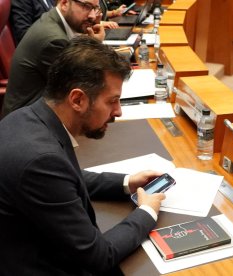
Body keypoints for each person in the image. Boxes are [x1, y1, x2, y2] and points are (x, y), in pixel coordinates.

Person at [0, 36, 166, 275]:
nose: (118, 111)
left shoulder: (28, 117)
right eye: (112, 101)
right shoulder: (41, 160)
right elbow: (99, 256)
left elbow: (66, 177)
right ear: (77, 99)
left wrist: (127, 182)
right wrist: (146, 211)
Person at [1, 0, 105, 118]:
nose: (92, 16)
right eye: (86, 6)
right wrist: (95, 45)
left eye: (95, 9)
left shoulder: (53, 19)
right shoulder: (54, 41)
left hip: (37, 112)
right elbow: (84, 83)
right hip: (27, 122)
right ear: (65, 3)